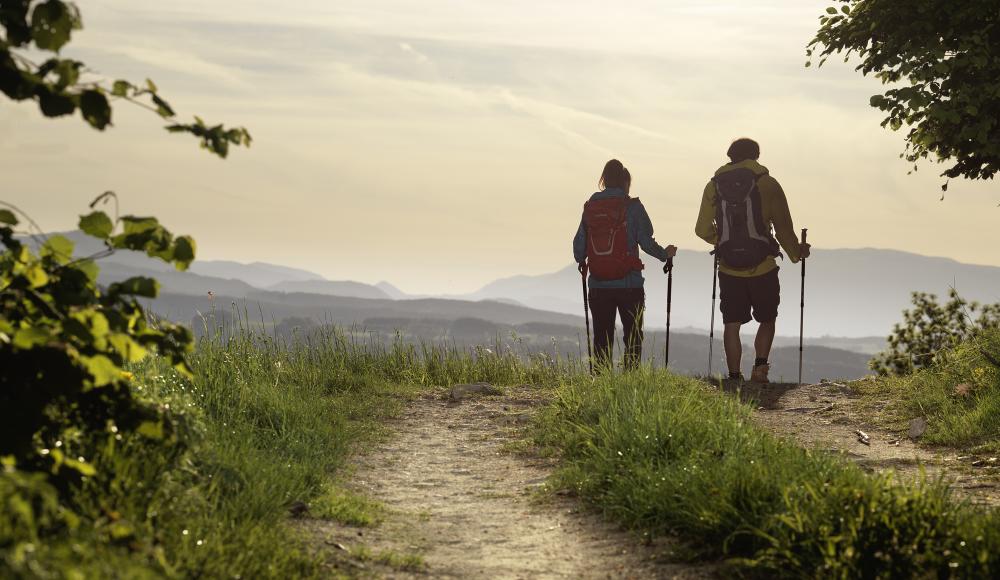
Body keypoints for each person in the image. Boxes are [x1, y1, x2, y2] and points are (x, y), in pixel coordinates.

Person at [695, 138, 810, 384]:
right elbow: (783, 228)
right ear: (756, 156)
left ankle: (734, 376)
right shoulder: (767, 183)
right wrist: (796, 253)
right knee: (767, 318)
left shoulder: (713, 186)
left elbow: (701, 229)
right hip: (763, 266)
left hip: (728, 268)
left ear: (730, 156)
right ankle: (759, 369)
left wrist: (722, 241)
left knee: (731, 323)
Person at [574, 159, 677, 371]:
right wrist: (664, 255)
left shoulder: (591, 208)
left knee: (602, 336)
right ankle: (631, 381)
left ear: (604, 179)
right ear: (625, 182)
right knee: (633, 335)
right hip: (629, 284)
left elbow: (578, 250)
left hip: (598, 285)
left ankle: (600, 381)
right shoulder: (633, 207)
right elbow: (646, 242)